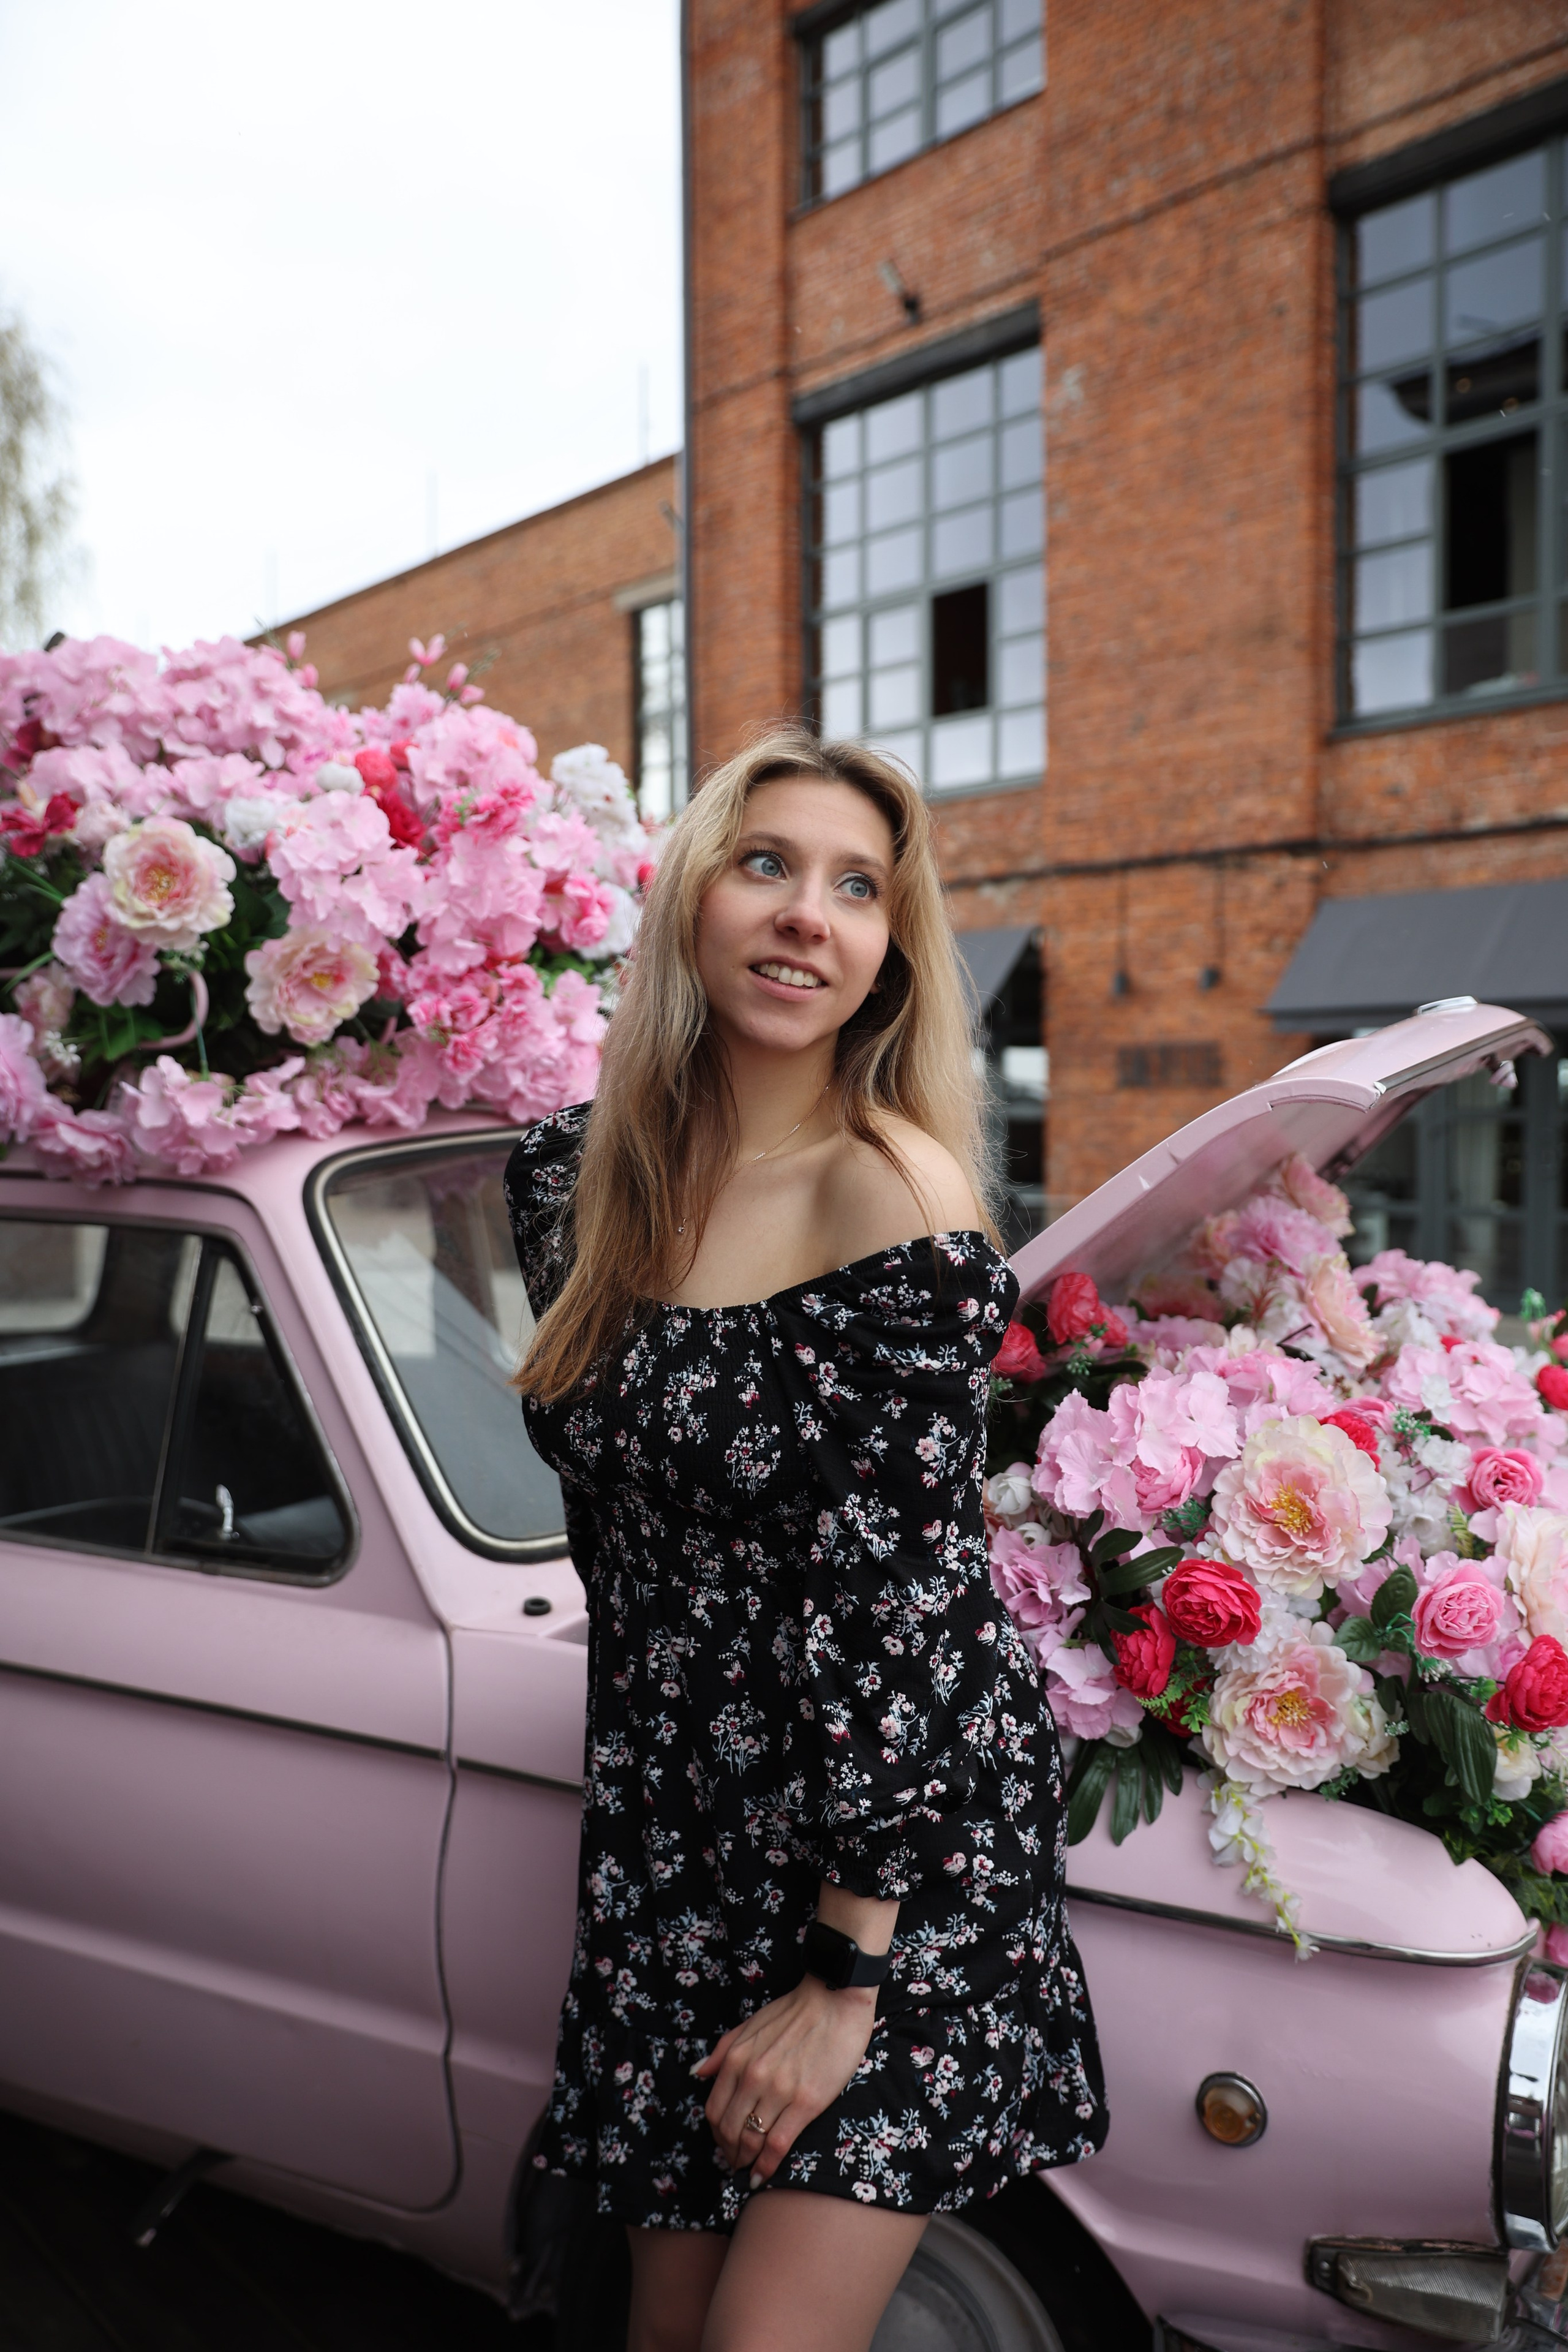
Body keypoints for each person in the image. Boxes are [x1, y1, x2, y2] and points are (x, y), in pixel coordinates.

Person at [507, 726, 1104, 2352]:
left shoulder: (896, 1200)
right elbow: (616, 1525)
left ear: (891, 952)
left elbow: (907, 1620)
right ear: (693, 897)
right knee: (661, 2331)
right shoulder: (569, 1176)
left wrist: (846, 1981)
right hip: (675, 1828)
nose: (803, 916)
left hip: (894, 1856)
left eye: (857, 889)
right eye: (766, 863)